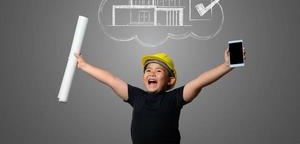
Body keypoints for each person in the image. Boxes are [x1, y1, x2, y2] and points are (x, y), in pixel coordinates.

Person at [74, 48, 246, 144]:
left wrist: (227, 66)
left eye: (158, 71)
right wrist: (84, 65)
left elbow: (200, 81)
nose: (152, 73)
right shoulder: (136, 96)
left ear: (170, 80)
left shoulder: (174, 99)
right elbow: (111, 79)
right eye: (148, 70)